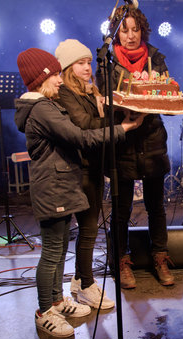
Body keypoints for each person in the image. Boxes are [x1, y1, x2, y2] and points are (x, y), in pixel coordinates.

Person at [14, 47, 143, 337]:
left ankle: (58, 301)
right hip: (52, 188)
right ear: (41, 78)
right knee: (51, 253)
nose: (59, 80)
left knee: (59, 248)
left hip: (59, 186)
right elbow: (80, 137)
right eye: (55, 74)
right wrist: (122, 127)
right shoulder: (42, 109)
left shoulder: (44, 106)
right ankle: (45, 310)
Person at [95, 5, 173, 289]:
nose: (130, 36)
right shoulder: (106, 61)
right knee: (121, 209)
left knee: (156, 207)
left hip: (152, 141)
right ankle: (121, 260)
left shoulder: (156, 58)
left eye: (135, 29)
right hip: (122, 144)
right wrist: (122, 116)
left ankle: (160, 257)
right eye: (124, 30)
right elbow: (105, 98)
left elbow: (163, 92)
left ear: (143, 30)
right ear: (116, 32)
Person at [54, 39, 114, 310]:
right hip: (78, 170)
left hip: (93, 167)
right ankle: (82, 285)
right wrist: (115, 120)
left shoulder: (89, 91)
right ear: (67, 67)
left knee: (89, 229)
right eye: (81, 63)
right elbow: (84, 125)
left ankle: (81, 280)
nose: (88, 67)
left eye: (89, 62)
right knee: (78, 230)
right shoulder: (65, 93)